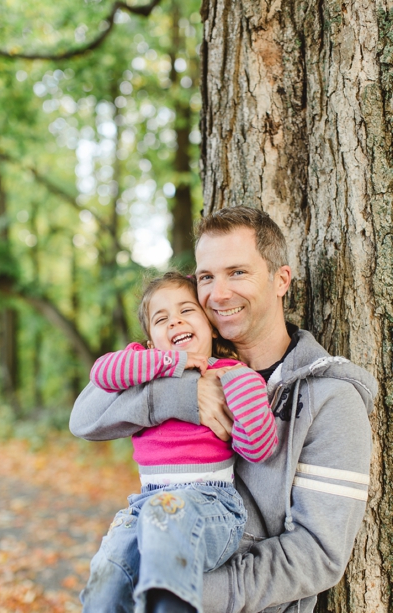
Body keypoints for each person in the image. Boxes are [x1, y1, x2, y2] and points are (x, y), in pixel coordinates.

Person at [70, 207, 376, 613]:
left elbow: (318, 555)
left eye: (238, 273)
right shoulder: (178, 364)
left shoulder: (332, 399)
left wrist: (185, 589)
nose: (219, 294)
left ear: (280, 280)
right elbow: (85, 417)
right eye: (207, 277)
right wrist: (182, 396)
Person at [79, 272, 276, 613]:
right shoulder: (144, 372)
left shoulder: (230, 373)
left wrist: (245, 389)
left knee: (164, 514)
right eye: (161, 318)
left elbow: (258, 448)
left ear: (211, 326)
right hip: (145, 504)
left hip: (213, 503)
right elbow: (102, 372)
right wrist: (171, 362)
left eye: (187, 310)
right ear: (150, 343)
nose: (176, 321)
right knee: (107, 572)